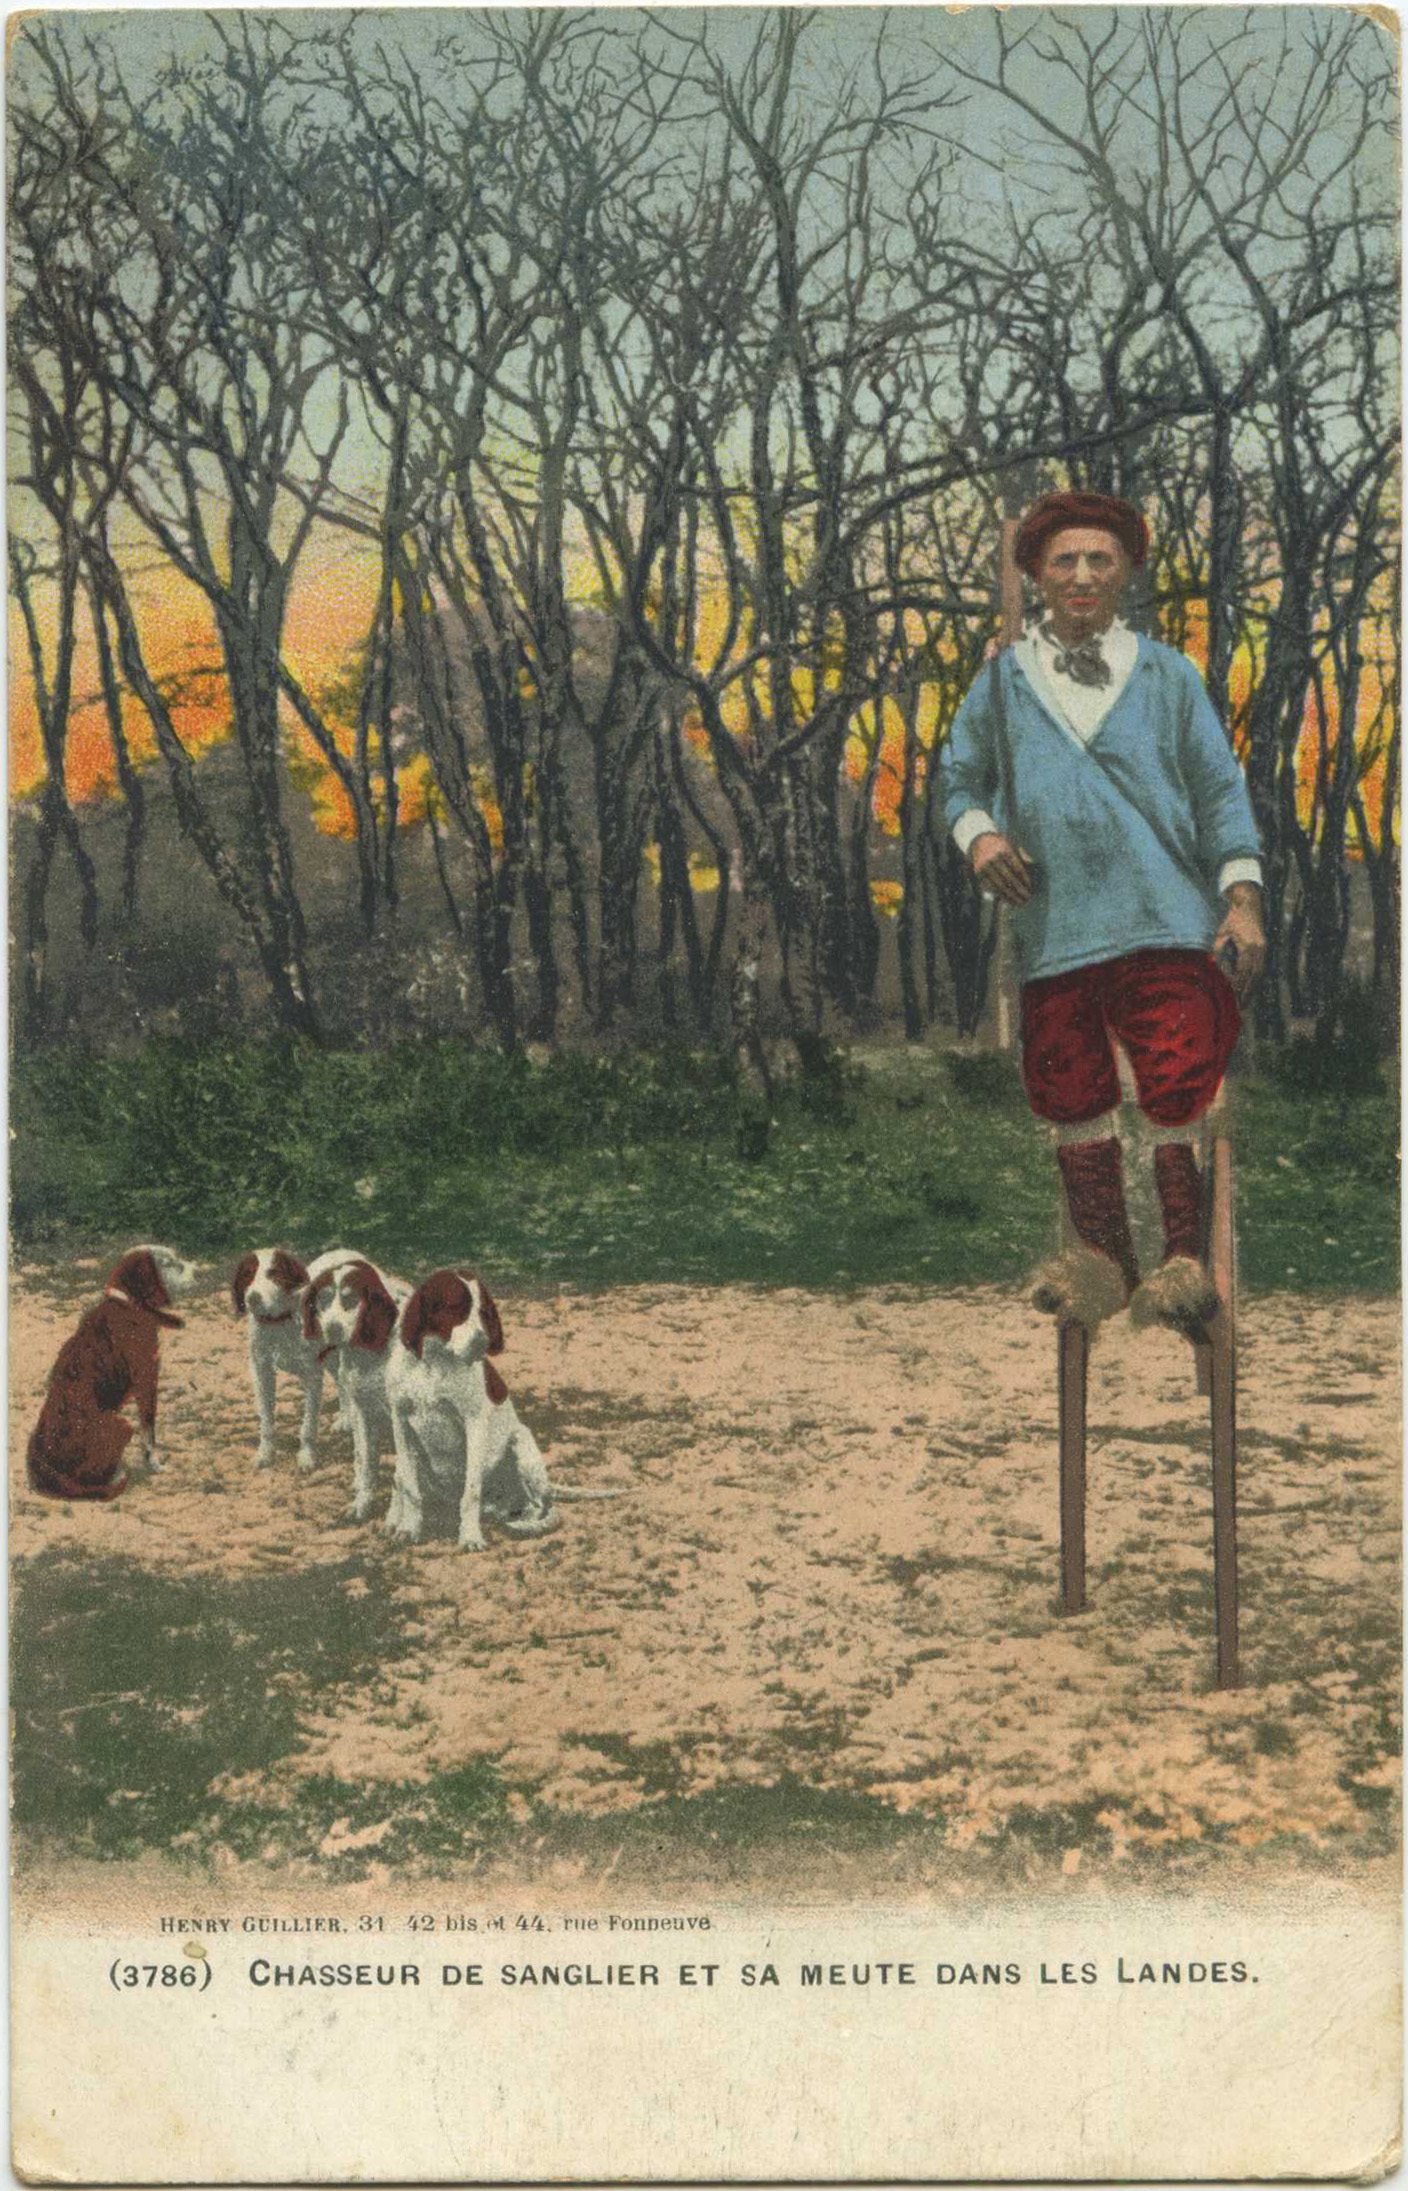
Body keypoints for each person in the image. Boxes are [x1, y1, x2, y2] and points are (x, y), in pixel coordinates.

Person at [940, 489, 1265, 1336]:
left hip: (1164, 918)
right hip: (1056, 930)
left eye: (1100, 560)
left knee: (1175, 1077)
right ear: (1037, 576)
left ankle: (1183, 1261)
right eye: (1063, 562)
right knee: (1068, 1085)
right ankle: (1104, 1262)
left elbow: (1221, 793)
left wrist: (1240, 901)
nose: (1082, 576)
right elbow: (957, 780)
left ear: (1126, 573)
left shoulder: (1168, 675)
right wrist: (980, 840)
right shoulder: (1002, 682)